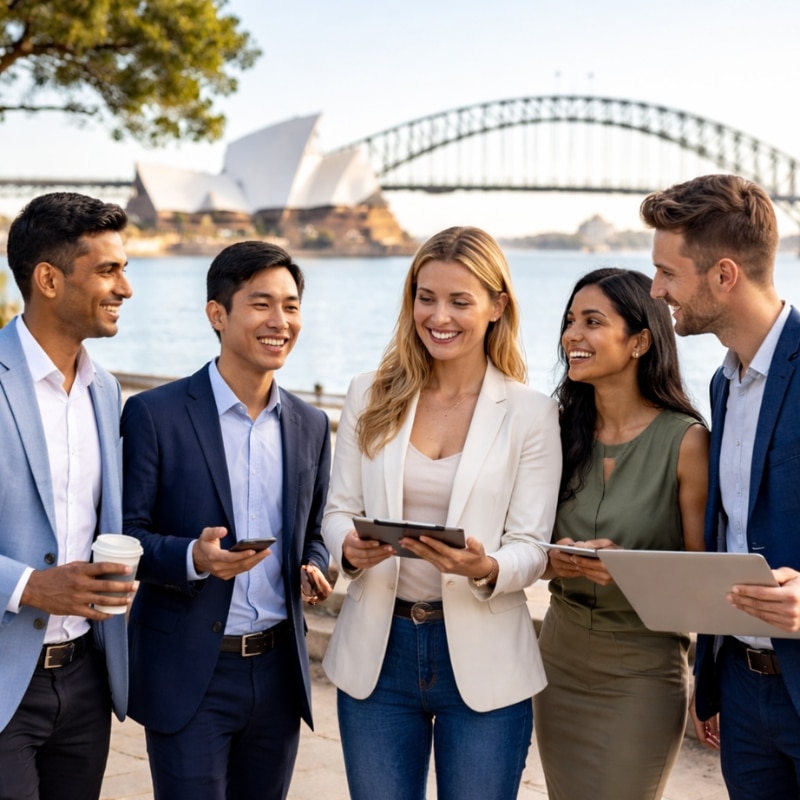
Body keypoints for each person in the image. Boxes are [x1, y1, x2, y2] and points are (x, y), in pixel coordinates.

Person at [321, 226, 561, 800]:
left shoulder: (530, 412)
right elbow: (338, 512)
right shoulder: (369, 392)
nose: (438, 316)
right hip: (378, 654)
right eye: (426, 297)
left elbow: (531, 544)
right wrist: (348, 548)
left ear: (497, 306)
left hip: (483, 660)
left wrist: (486, 568)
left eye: (459, 300)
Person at [120, 241, 332, 800]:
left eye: (291, 306)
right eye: (261, 304)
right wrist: (193, 557)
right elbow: (124, 534)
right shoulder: (154, 414)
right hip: (192, 671)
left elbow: (312, 531)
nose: (280, 322)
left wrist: (314, 564)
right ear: (218, 314)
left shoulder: (310, 424)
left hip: (279, 673)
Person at [642, 173, 800, 799]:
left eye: (667, 273)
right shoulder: (721, 384)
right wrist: (713, 683)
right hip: (740, 691)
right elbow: (732, 531)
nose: (656, 291)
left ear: (724, 276)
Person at [533, 268, 709, 800]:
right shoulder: (555, 432)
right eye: (569, 321)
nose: (572, 336)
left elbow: (703, 585)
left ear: (639, 341)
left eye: (592, 322)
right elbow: (525, 550)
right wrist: (553, 561)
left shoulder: (686, 442)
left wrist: (629, 569)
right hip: (557, 664)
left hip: (644, 672)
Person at [0, 192, 135, 800]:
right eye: (108, 270)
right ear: (49, 279)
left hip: (85, 681)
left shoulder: (105, 391)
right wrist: (27, 586)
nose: (125, 288)